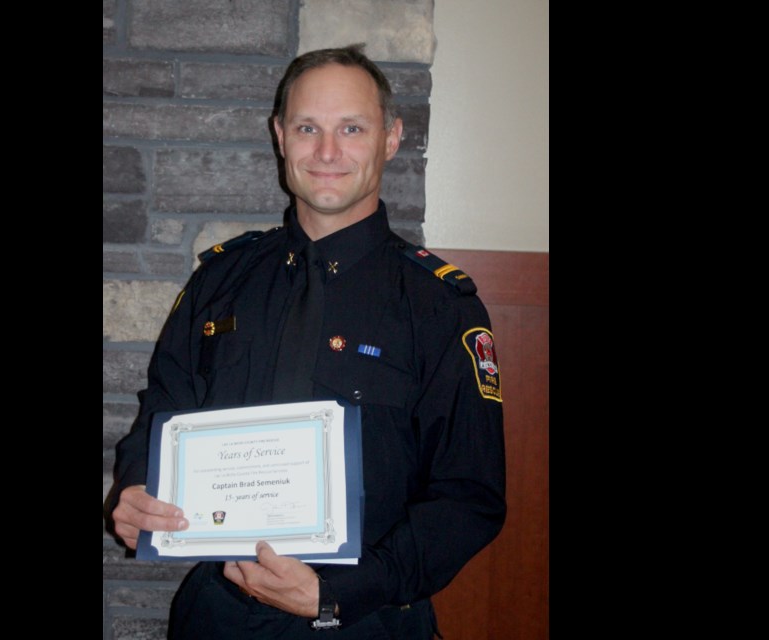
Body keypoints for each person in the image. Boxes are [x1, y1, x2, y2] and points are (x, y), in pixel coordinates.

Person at [108, 44, 506, 639]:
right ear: (279, 136)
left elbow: (469, 495)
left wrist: (335, 594)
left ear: (391, 138)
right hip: (218, 616)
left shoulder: (439, 306)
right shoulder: (220, 281)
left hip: (366, 620)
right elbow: (164, 408)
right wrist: (138, 486)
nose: (326, 151)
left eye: (351, 128)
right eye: (307, 128)